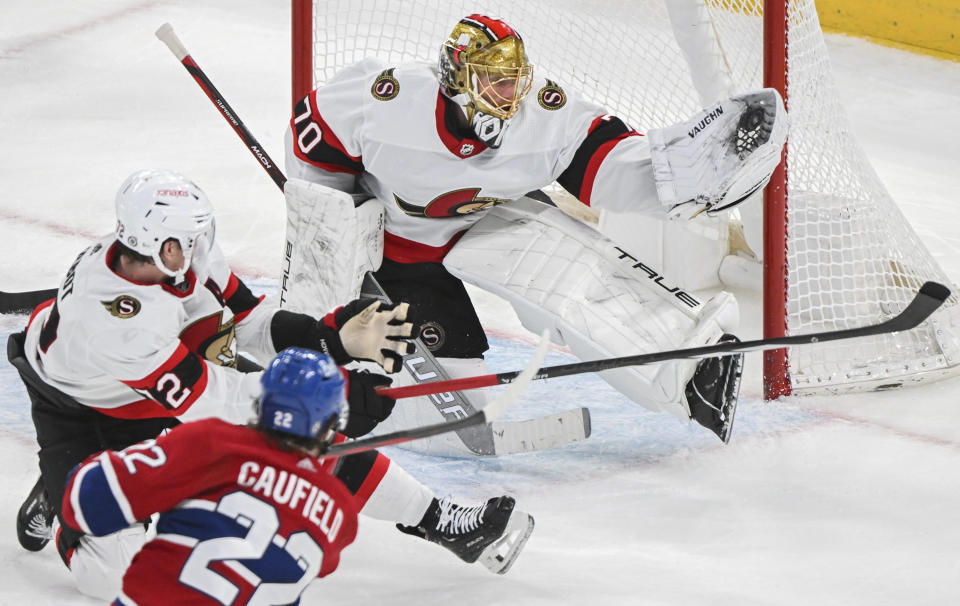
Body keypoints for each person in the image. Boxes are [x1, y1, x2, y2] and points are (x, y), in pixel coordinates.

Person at [283, 14, 787, 447]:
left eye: (515, 79)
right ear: (457, 77)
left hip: (488, 223)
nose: (511, 94)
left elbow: (608, 164)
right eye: (494, 80)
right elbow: (312, 146)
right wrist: (338, 228)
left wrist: (688, 169)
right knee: (460, 401)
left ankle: (692, 374)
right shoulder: (387, 102)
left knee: (574, 277)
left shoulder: (541, 115)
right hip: (397, 252)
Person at [8, 169, 415, 598]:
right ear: (164, 247)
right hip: (82, 409)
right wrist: (328, 393)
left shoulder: (167, 262)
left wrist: (330, 340)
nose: (205, 245)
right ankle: (67, 506)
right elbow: (209, 399)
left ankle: (433, 514)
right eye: (192, 238)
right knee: (115, 575)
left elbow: (250, 321)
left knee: (297, 434)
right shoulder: (118, 322)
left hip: (156, 379)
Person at [60, 347, 534, 604]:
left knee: (107, 569)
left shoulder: (209, 442)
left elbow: (86, 499)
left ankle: (433, 516)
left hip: (145, 431)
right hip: (114, 390)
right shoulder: (337, 516)